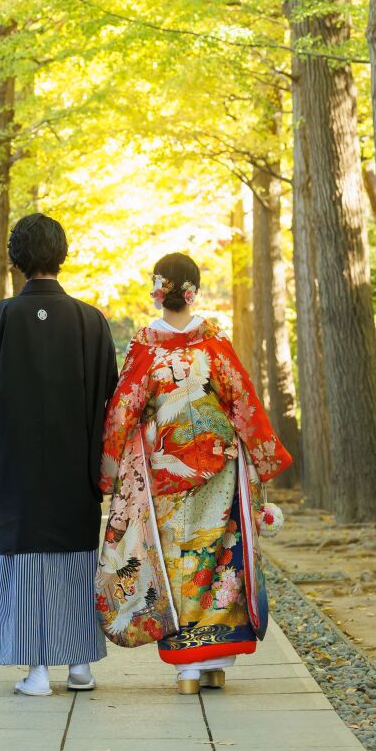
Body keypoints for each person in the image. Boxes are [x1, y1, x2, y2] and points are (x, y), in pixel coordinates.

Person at [97, 252, 293, 694]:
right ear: (193, 292)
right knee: (219, 556)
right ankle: (216, 662)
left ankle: (187, 668)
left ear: (158, 291)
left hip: (166, 470)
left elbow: (122, 409)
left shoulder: (146, 348)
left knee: (178, 558)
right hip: (221, 468)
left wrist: (107, 471)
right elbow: (243, 400)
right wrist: (264, 458)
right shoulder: (214, 342)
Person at [0, 212, 118, 696]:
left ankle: (37, 672)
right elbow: (110, 402)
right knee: (76, 557)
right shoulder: (90, 320)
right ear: (61, 255)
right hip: (75, 467)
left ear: (16, 258)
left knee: (24, 560)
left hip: (16, 466)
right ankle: (80, 665)